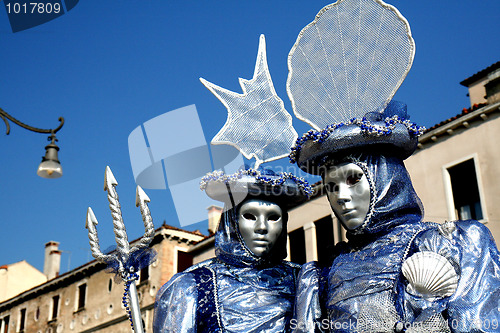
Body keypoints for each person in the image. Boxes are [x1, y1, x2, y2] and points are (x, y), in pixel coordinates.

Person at [286, 1, 500, 331]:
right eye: (331, 187)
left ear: (386, 179)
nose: (341, 198)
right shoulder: (320, 276)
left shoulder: (454, 244)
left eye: (353, 179)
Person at [153, 171, 310, 332]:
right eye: (250, 216)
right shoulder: (190, 287)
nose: (262, 227)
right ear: (232, 221)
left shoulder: (305, 283)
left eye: (272, 217)